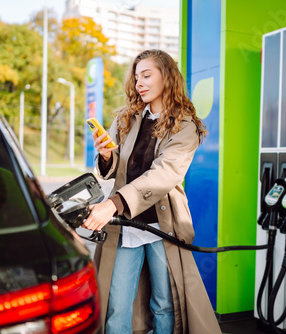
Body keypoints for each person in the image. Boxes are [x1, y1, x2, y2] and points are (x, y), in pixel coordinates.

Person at [83, 49, 222, 334]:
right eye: (136, 77)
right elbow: (111, 170)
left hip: (163, 225)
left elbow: (164, 174)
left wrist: (114, 204)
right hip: (126, 225)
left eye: (147, 75)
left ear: (167, 77)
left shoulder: (186, 125)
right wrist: (107, 156)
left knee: (165, 303)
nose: (139, 84)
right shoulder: (126, 117)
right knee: (117, 304)